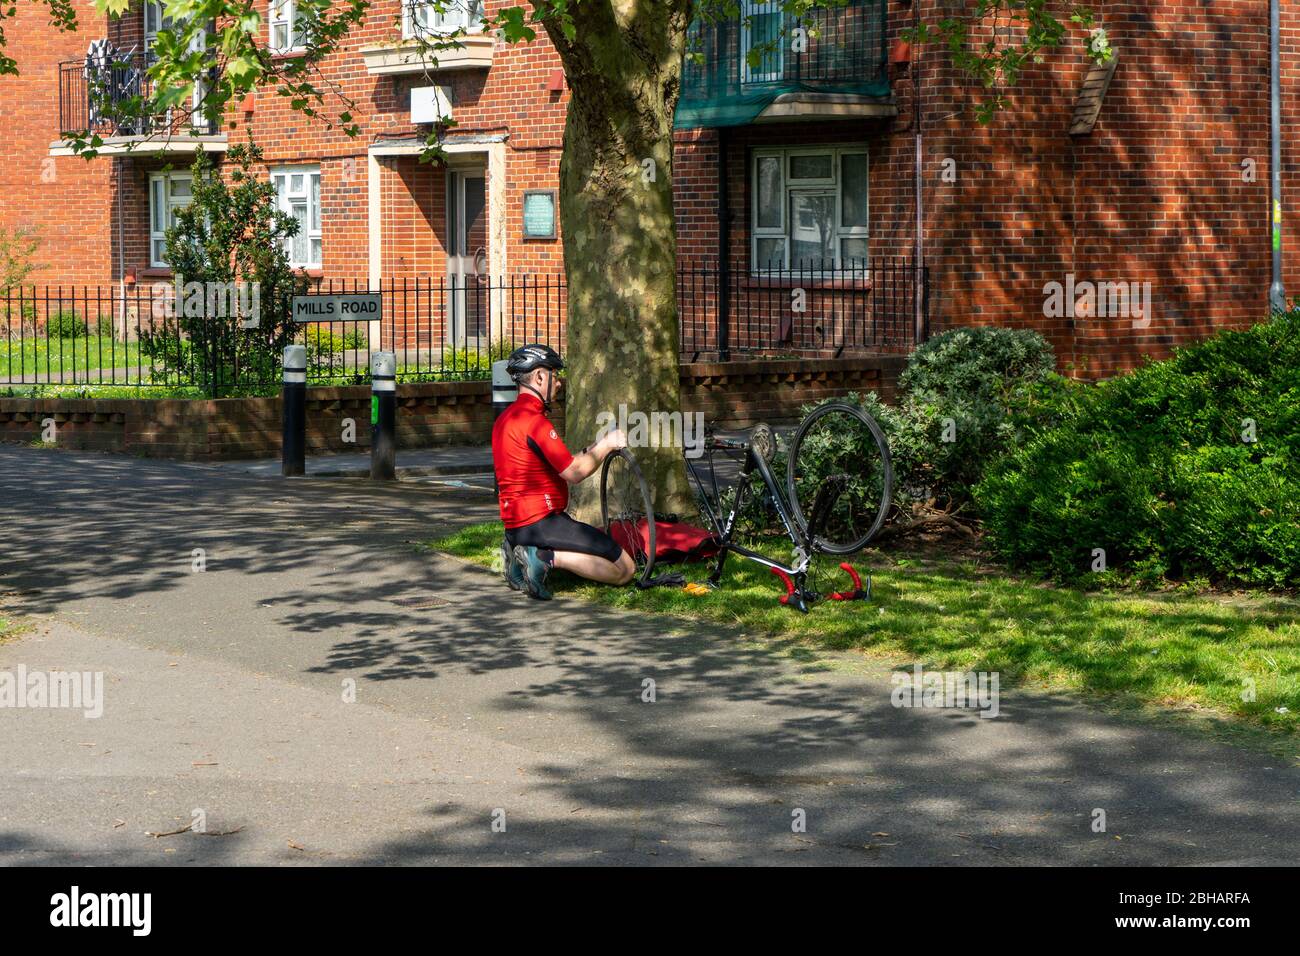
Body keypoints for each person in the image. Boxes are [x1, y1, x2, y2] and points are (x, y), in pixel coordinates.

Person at [492, 344, 634, 599]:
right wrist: (608, 444)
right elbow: (574, 473)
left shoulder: (507, 418)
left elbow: (562, 463)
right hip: (542, 522)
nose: (558, 383)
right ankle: (542, 557)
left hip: (516, 524)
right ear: (539, 377)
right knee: (624, 568)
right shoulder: (534, 421)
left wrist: (593, 447)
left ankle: (517, 548)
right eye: (554, 375)